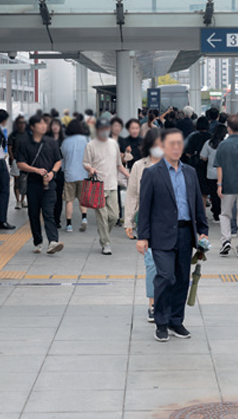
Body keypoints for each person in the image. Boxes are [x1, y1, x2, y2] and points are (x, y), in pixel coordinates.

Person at [137, 128, 210, 342]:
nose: (177, 148)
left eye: (180, 143)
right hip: (161, 235)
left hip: (186, 233)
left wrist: (203, 231)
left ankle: (176, 321)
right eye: (172, 144)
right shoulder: (152, 173)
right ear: (163, 147)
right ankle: (161, 321)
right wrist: (143, 236)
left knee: (181, 280)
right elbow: (145, 207)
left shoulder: (190, 172)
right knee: (165, 277)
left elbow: (198, 203)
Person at [124, 129, 163, 322]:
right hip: (145, 220)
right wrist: (128, 220)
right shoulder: (139, 166)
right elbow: (132, 194)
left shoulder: (172, 164)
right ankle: (153, 303)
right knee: (151, 265)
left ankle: (165, 300)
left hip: (168, 221)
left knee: (167, 265)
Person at [15, 115, 64, 254]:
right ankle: (38, 242)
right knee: (34, 213)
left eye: (44, 123)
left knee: (48, 212)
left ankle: (53, 241)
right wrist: (35, 170)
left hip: (49, 183)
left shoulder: (51, 142)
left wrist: (53, 172)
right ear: (32, 127)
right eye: (40, 123)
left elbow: (58, 160)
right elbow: (20, 164)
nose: (43, 126)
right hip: (33, 184)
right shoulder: (25, 143)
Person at [83, 118, 130, 255]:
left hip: (112, 184)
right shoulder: (90, 145)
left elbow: (118, 165)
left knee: (114, 216)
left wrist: (128, 175)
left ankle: (103, 233)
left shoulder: (113, 144)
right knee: (102, 216)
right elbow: (85, 163)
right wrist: (90, 169)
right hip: (98, 185)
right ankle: (106, 243)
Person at [214, 114, 238, 258]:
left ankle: (226, 240)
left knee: (225, 214)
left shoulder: (222, 145)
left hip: (227, 186)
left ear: (228, 128)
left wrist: (219, 185)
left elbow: (219, 167)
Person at [60, 119, 90, 233]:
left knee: (69, 200)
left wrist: (64, 170)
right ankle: (84, 218)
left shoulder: (65, 142)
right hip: (83, 173)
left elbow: (63, 158)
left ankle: (69, 225)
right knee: (82, 199)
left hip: (69, 174)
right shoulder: (86, 140)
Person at [200, 124, 226, 223]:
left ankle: (216, 215)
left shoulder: (209, 143)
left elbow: (203, 157)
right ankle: (223, 213)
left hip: (211, 173)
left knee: (214, 195)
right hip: (224, 173)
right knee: (223, 195)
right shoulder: (225, 143)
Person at [184, 117, 212, 203]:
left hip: (196, 166)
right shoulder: (211, 136)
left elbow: (188, 152)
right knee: (205, 191)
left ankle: (200, 212)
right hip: (208, 165)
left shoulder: (193, 137)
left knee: (197, 190)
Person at [47, 118, 66, 228]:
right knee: (49, 197)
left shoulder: (64, 142)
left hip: (60, 172)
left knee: (58, 196)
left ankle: (57, 219)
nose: (55, 127)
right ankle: (50, 218)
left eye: (57, 125)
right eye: (53, 124)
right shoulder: (46, 140)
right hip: (49, 172)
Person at [8, 115, 29, 210]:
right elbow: (10, 148)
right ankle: (17, 201)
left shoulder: (28, 134)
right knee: (17, 181)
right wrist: (13, 159)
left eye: (23, 122)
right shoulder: (13, 135)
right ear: (17, 124)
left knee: (24, 181)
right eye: (20, 122)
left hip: (25, 161)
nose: (22, 124)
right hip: (16, 160)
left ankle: (23, 199)